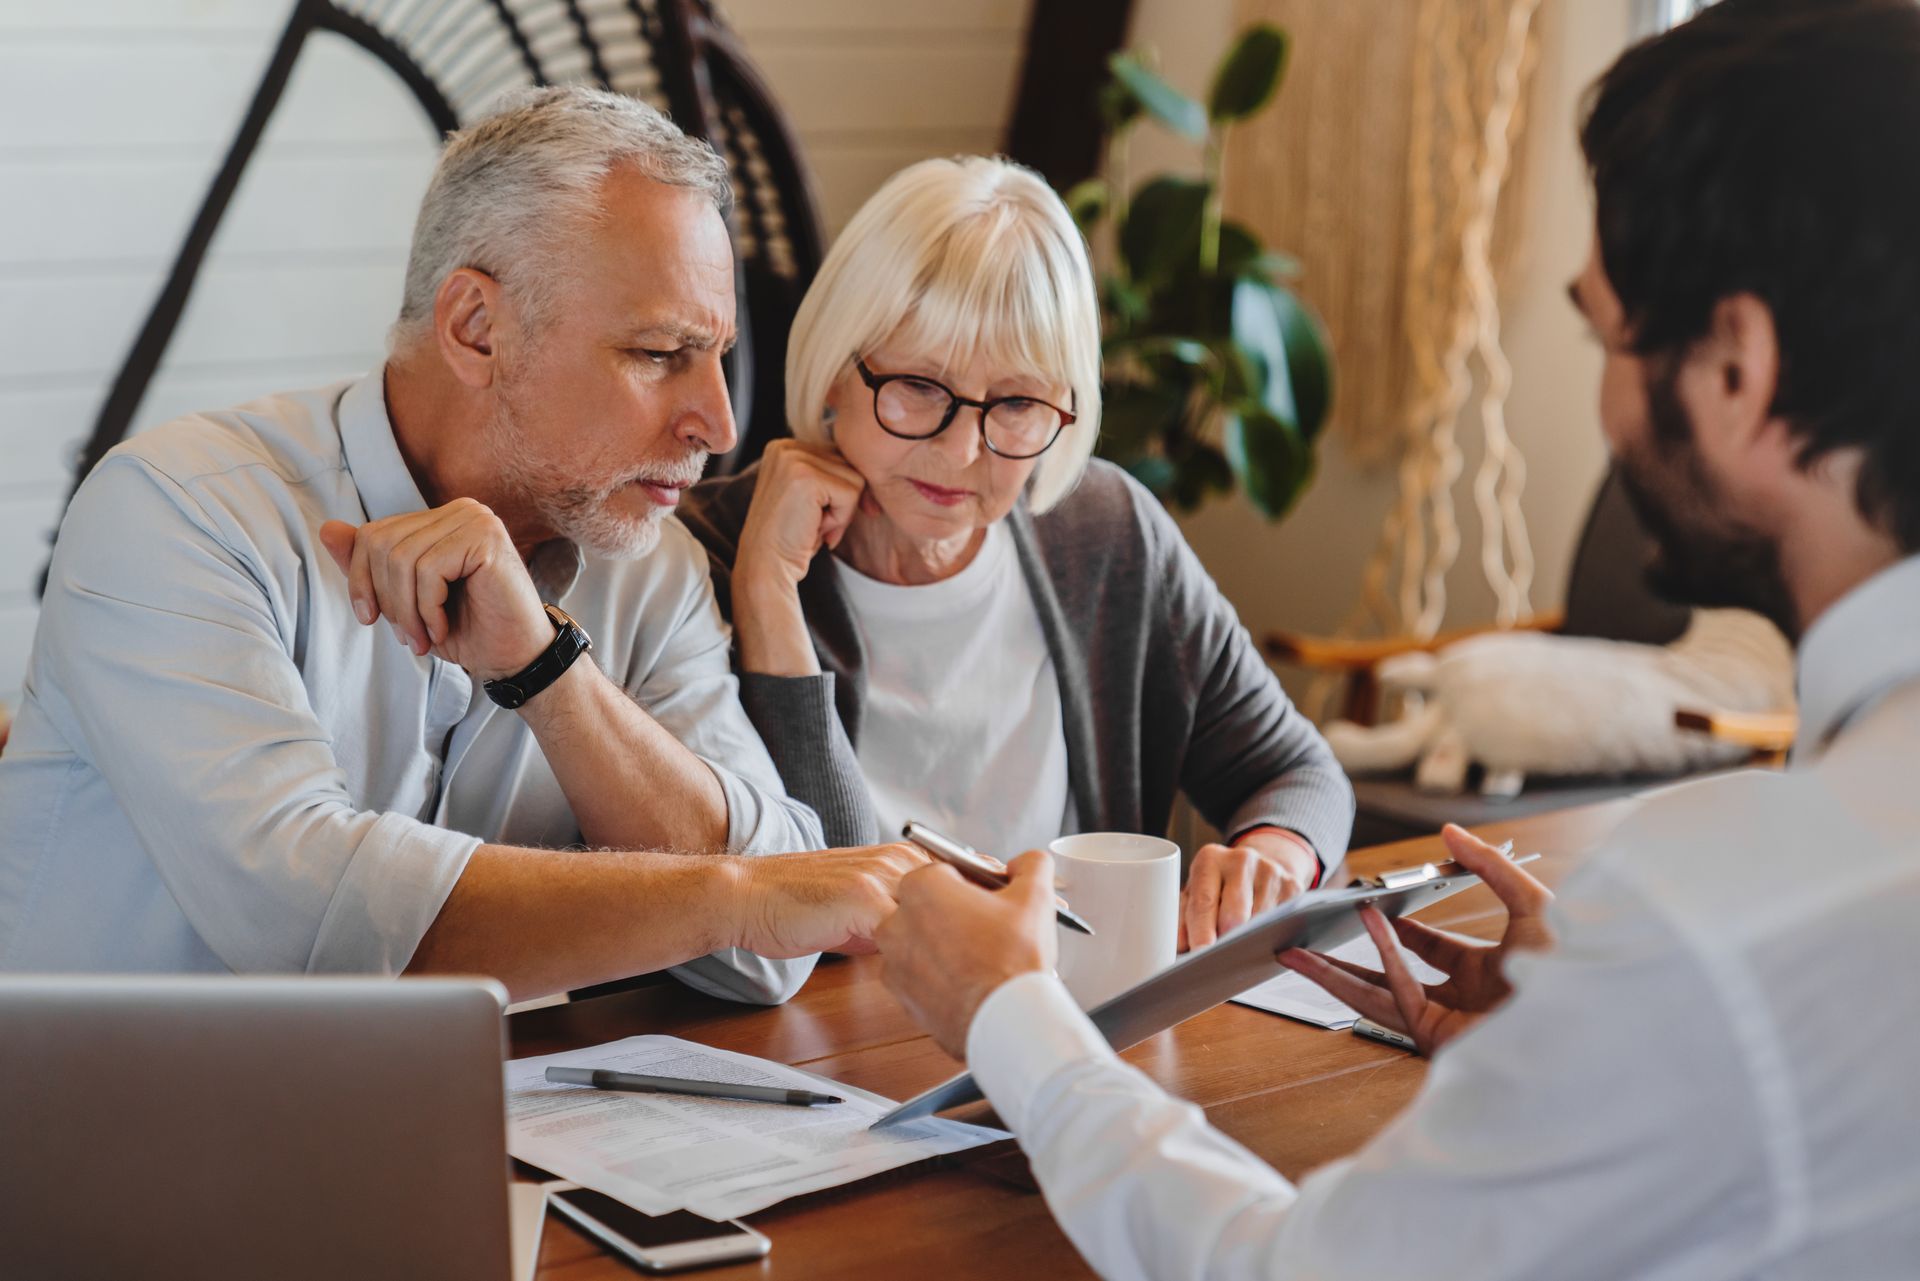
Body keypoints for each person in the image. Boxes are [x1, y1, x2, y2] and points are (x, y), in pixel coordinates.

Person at [874, 1, 1920, 1274]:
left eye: (1603, 334)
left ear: (1738, 368)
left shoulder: (1725, 919)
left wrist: (1012, 1021)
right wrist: (1573, 1063)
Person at [0, 87, 925, 1003]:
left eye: (715, 354)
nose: (717, 424)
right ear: (476, 328)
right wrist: (729, 895)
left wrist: (550, 673)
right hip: (106, 1138)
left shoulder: (654, 568)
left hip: (473, 1132)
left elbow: (773, 953)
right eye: (656, 353)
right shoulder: (177, 512)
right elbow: (308, 923)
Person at [679, 157, 1354, 950]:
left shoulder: (1103, 531)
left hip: (1067, 1026)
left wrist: (1273, 853)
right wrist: (767, 596)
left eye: (1019, 403)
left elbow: (1298, 773)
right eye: (920, 386)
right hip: (828, 1047)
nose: (963, 449)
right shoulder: (706, 552)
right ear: (834, 368)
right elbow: (809, 900)